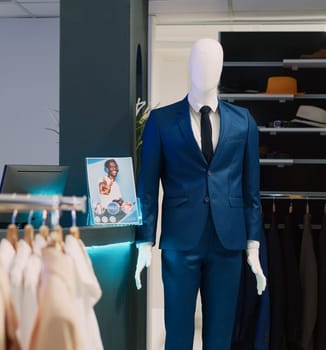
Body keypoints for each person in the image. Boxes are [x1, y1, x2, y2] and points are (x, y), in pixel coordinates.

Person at [133, 38, 267, 349]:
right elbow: (148, 185)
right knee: (177, 331)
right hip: (181, 240)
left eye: (213, 62)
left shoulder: (243, 121)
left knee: (219, 334)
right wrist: (144, 239)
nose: (205, 69)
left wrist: (253, 243)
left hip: (228, 241)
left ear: (221, 69)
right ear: (189, 66)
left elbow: (251, 189)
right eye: (199, 61)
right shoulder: (163, 120)